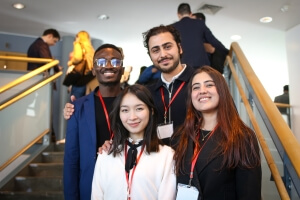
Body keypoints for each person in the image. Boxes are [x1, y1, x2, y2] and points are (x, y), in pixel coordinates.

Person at [172, 66, 261, 200]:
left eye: (209, 85)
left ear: (222, 90)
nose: (202, 91)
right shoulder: (180, 136)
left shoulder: (242, 137)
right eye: (196, 87)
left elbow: (249, 194)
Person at [91, 84, 176, 200]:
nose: (132, 117)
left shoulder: (167, 155)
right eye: (125, 110)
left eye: (139, 108)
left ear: (151, 111)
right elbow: (97, 196)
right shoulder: (106, 154)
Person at [63, 43, 124, 200]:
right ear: (94, 69)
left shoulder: (137, 104)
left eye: (116, 62)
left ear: (122, 69)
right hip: (90, 187)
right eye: (101, 62)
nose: (109, 66)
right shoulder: (78, 107)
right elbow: (71, 160)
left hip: (128, 184)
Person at [143, 25, 195, 143]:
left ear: (179, 48)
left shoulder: (201, 83)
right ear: (151, 56)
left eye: (167, 47)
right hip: (162, 159)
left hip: (196, 159)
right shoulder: (148, 93)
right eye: (156, 50)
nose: (163, 55)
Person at [172, 3, 228, 69]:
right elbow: (213, 41)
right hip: (201, 63)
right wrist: (227, 52)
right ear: (190, 13)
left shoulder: (173, 27)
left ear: (178, 14)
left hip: (183, 64)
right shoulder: (199, 23)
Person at [66, 31, 95, 99]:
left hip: (79, 79)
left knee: (75, 103)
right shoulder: (91, 49)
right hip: (87, 79)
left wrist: (70, 62)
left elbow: (77, 58)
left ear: (78, 37)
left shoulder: (78, 44)